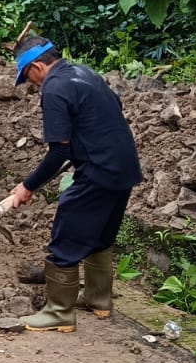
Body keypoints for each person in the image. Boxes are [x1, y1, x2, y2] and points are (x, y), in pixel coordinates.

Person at [8, 35, 142, 332]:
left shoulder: (54, 88)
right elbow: (107, 113)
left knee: (66, 236)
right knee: (101, 235)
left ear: (37, 66)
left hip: (98, 170)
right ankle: (98, 299)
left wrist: (28, 186)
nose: (31, 84)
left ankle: (59, 312)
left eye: (28, 77)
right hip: (124, 168)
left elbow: (60, 150)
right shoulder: (85, 73)